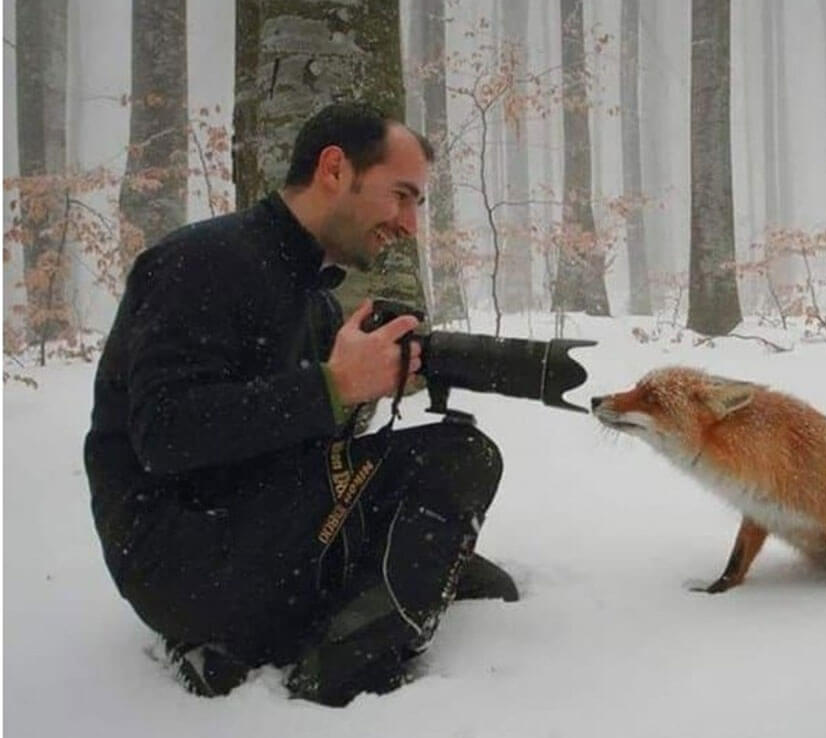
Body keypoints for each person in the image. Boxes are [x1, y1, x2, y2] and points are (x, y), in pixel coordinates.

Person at [83, 102, 517, 706]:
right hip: (183, 559)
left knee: (433, 497)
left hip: (254, 529)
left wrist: (359, 392)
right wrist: (332, 387)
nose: (409, 224)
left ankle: (344, 594)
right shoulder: (200, 261)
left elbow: (292, 447)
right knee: (460, 457)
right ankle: (340, 673)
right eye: (401, 195)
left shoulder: (313, 301)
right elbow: (164, 435)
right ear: (335, 169)